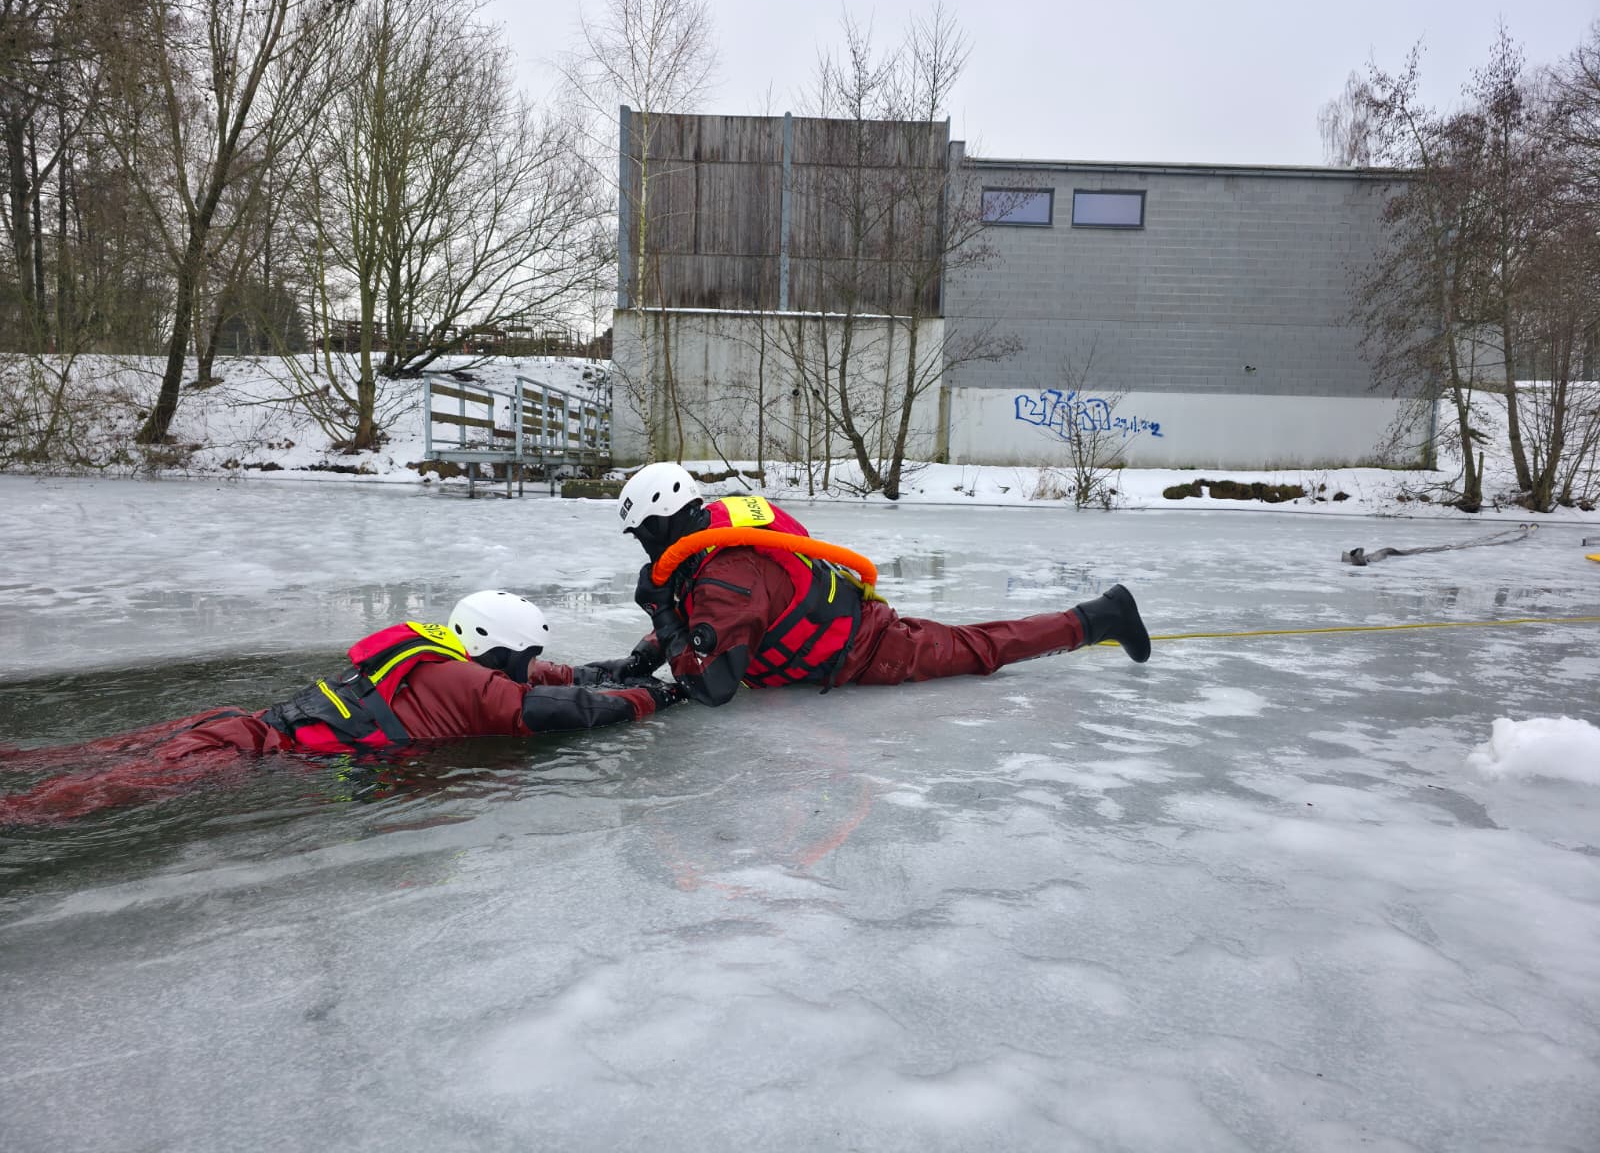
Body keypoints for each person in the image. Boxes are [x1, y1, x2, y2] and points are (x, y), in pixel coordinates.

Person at [0, 590, 684, 824]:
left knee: (70, 757)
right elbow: (556, 711)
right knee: (83, 796)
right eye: (517, 660)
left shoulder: (442, 656)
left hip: (239, 729)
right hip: (242, 755)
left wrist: (627, 664)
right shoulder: (465, 684)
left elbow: (551, 680)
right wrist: (652, 697)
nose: (524, 672)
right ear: (490, 650)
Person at [604, 463, 1152, 708]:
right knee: (976, 642)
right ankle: (1097, 616)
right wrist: (645, 655)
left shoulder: (726, 575)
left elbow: (714, 687)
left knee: (982, 649)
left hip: (869, 653)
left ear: (662, 523)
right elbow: (717, 627)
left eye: (643, 536)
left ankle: (1099, 616)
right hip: (851, 630)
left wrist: (663, 618)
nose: (643, 548)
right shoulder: (715, 535)